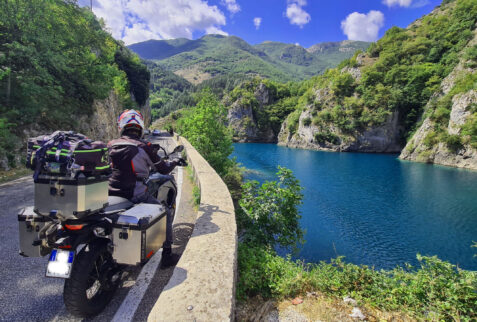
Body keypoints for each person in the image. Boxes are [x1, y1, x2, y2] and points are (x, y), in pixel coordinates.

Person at [108, 109, 182, 267]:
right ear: (140, 128)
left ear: (121, 127)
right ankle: (167, 255)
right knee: (165, 213)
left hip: (109, 193)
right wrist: (175, 161)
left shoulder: (111, 145)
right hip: (134, 195)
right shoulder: (144, 147)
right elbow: (163, 169)